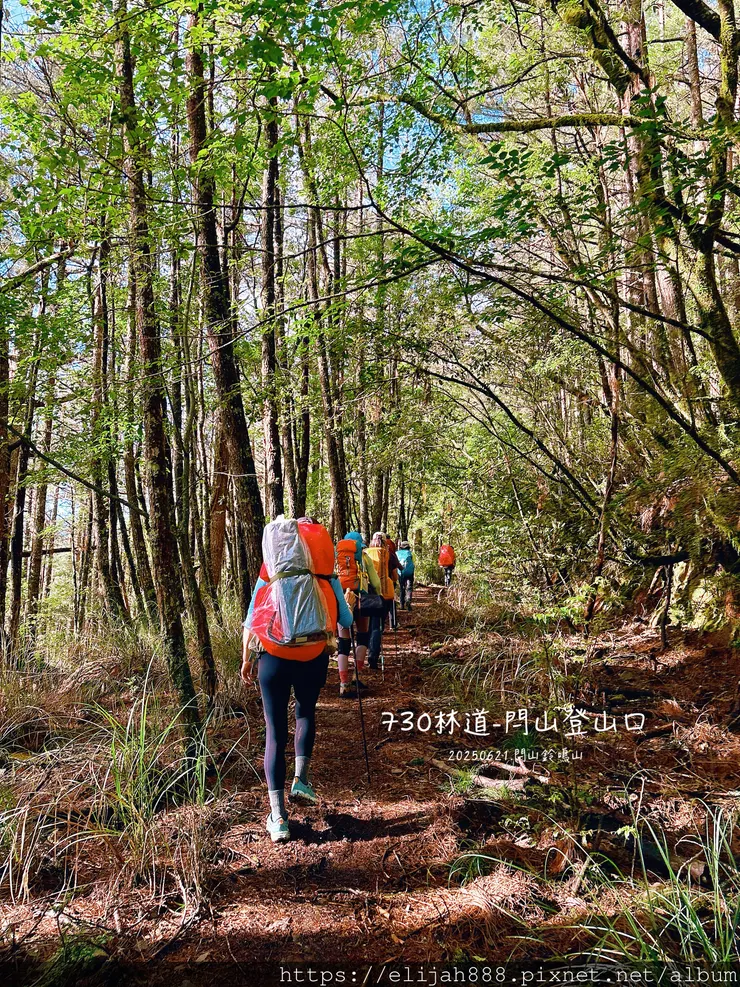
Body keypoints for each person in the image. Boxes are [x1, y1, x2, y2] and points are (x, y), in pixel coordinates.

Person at [241, 516, 353, 844]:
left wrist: (247, 659)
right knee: (305, 713)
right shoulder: (325, 574)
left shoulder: (272, 570)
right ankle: (301, 780)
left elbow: (251, 619)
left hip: (273, 657)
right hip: (312, 656)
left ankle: (278, 818)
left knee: (275, 731)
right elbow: (345, 620)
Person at [335, 531, 382, 698]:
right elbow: (375, 581)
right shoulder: (364, 557)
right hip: (362, 599)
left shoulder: (338, 557)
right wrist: (378, 594)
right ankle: (357, 676)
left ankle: (343, 684)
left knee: (343, 642)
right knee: (363, 635)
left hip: (343, 599)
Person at [366, 532, 400, 669]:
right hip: (384, 595)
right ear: (386, 542)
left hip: (368, 594)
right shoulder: (389, 555)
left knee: (369, 625)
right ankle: (373, 657)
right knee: (377, 626)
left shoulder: (365, 554)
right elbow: (395, 577)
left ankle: (365, 652)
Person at [396, 540, 415, 610]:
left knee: (402, 588)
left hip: (401, 572)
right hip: (410, 572)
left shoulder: (397, 553)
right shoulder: (409, 553)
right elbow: (412, 563)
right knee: (409, 587)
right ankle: (408, 599)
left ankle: (402, 604)